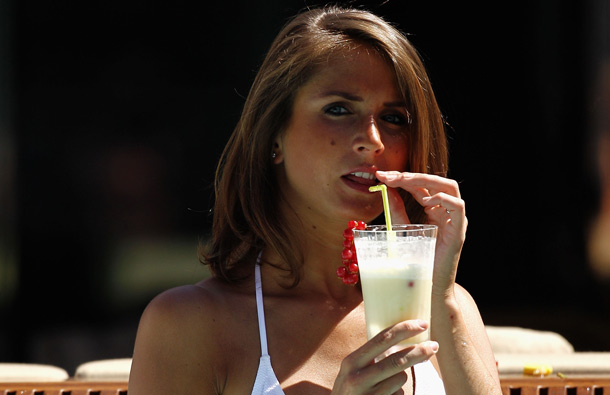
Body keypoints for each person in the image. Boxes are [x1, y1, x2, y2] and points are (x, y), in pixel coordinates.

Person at [129, 5, 501, 394]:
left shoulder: (447, 306)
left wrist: (440, 297)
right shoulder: (191, 323)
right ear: (274, 136)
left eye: (394, 118)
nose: (373, 140)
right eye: (338, 109)